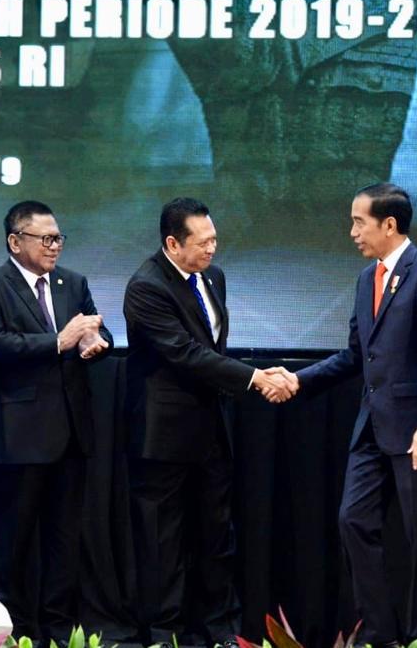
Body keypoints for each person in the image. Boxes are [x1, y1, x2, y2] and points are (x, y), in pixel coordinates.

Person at [268, 183, 417, 648]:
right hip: (372, 428)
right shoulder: (366, 279)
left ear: (389, 224)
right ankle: (379, 635)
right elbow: (356, 355)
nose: (353, 232)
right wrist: (299, 380)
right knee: (353, 521)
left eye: (359, 222)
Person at [123, 197, 291, 647]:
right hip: (163, 434)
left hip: (212, 427)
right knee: (163, 540)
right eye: (202, 242)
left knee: (217, 534)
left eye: (214, 239)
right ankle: (164, 633)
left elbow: (213, 348)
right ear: (172, 244)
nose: (212, 249)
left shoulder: (212, 276)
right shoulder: (146, 286)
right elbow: (185, 353)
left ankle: (220, 629)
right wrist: (255, 378)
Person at [0, 200, 113, 642]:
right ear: (15, 241)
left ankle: (57, 631)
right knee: (13, 545)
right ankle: (11, 633)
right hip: (17, 438)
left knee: (64, 543)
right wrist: (59, 341)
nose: (55, 246)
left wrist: (93, 341)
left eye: (58, 238)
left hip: (70, 435)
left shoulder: (73, 283)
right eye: (45, 238)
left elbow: (97, 331)